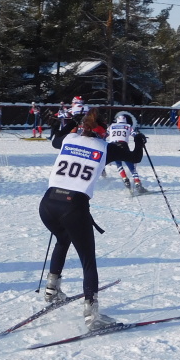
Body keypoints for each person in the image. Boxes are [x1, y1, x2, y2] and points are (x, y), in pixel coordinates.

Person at [40, 107, 146, 330]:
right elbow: (135, 157)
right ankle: (92, 315)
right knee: (88, 260)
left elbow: (55, 140)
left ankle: (52, 288)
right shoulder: (105, 147)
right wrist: (139, 141)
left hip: (48, 203)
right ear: (102, 131)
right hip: (73, 206)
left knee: (62, 240)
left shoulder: (69, 139)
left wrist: (70, 124)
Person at [107, 112, 149, 194]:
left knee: (118, 164)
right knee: (131, 165)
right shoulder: (128, 126)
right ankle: (137, 183)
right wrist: (140, 137)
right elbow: (134, 134)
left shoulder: (111, 126)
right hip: (123, 146)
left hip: (113, 146)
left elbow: (105, 135)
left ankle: (124, 179)